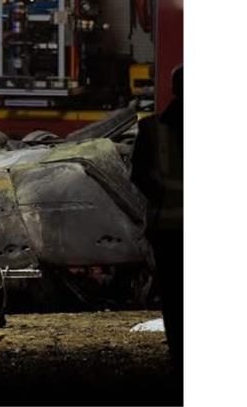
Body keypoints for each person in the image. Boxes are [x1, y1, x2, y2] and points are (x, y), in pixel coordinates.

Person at [132, 65, 183, 373]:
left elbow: (139, 176)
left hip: (168, 230)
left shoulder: (151, 128)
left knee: (175, 300)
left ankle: (180, 358)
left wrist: (162, 198)